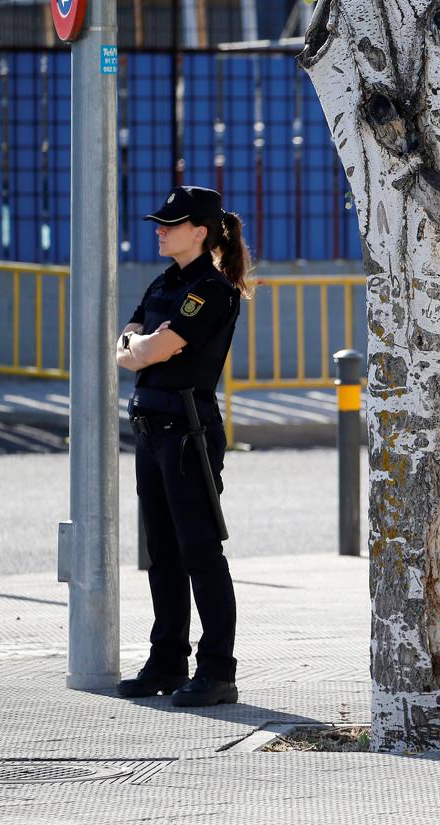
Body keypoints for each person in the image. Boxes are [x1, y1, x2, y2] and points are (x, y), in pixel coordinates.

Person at [114, 186, 249, 707]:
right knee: (162, 552)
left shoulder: (210, 290)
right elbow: (126, 346)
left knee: (199, 549)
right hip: (151, 428)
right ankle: (166, 658)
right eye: (160, 222)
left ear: (201, 231)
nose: (160, 229)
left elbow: (155, 346)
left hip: (187, 430)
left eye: (172, 224)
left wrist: (144, 347)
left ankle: (217, 670)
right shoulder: (163, 282)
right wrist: (140, 347)